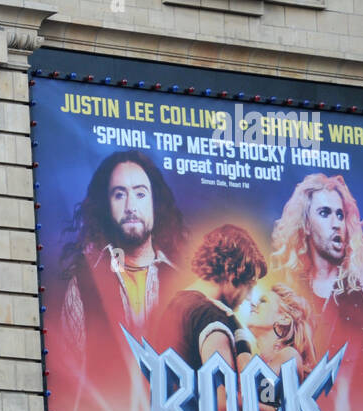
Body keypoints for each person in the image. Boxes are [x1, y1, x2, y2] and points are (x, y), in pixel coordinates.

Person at [268, 173, 363, 356]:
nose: (336, 223)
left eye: (340, 215)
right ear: (305, 225)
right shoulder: (292, 292)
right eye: (324, 213)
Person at [59, 150, 187, 358]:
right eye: (119, 195)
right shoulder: (83, 284)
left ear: (155, 204)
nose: (130, 207)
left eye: (140, 194)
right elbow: (69, 374)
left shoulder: (184, 283)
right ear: (107, 207)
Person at [159, 224, 266, 374]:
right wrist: (238, 332)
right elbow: (229, 396)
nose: (249, 298)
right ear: (232, 271)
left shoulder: (177, 303)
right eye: (249, 285)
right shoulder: (212, 317)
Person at [247, 283, 316, 376]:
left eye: (263, 301)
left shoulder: (290, 356)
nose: (253, 304)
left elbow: (253, 388)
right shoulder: (258, 362)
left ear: (284, 319)